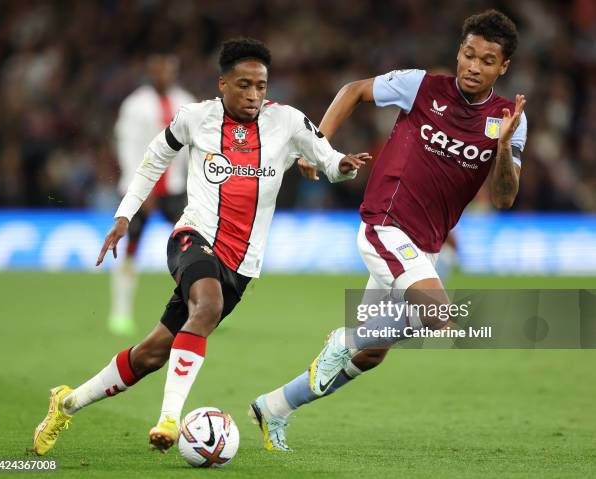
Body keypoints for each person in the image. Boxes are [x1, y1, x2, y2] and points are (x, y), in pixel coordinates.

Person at [32, 38, 370, 456]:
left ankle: (66, 402)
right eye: (244, 85)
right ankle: (170, 420)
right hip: (194, 236)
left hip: (242, 264)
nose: (253, 95)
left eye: (261, 86)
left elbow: (328, 159)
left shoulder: (288, 123)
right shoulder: (195, 118)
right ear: (222, 83)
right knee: (206, 308)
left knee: (152, 353)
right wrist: (123, 215)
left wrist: (342, 165)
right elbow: (153, 159)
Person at [250, 9, 528, 452]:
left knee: (370, 354)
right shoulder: (422, 86)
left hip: (425, 245)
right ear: (458, 51)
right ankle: (342, 340)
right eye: (468, 54)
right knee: (437, 314)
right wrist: (318, 146)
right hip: (385, 223)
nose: (474, 66)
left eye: (487, 60)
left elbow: (504, 197)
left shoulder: (509, 120)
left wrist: (500, 148)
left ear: (504, 67)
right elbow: (355, 90)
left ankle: (274, 407)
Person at [110, 53, 195, 336]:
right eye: (159, 71)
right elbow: (128, 146)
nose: (164, 76)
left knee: (195, 246)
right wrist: (140, 186)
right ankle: (120, 312)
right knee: (131, 248)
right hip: (141, 188)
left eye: (169, 70)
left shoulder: (185, 100)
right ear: (151, 72)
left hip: (175, 188)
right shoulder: (135, 105)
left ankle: (204, 305)